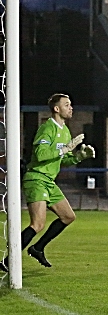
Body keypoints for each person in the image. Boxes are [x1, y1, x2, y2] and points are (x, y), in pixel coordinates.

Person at [1, 93, 95, 272]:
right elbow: (41, 155)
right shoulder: (47, 128)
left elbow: (63, 160)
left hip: (49, 182)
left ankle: (37, 248)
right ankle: (8, 260)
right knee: (37, 224)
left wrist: (78, 157)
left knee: (68, 217)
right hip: (36, 178)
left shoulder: (65, 131)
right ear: (56, 109)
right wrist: (65, 149)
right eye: (67, 105)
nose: (71, 107)